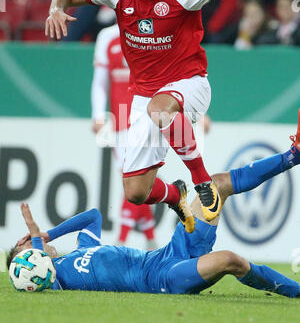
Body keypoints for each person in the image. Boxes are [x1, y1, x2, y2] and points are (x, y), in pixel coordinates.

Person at [45, 0, 294, 227]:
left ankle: (203, 183)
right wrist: (56, 7)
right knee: (136, 192)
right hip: (144, 98)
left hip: (190, 84)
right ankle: (176, 195)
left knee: (160, 109)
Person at [8, 111, 300, 296]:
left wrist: (48, 233)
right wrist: (34, 237)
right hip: (163, 279)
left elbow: (94, 216)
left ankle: (293, 155)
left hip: (169, 253)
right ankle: (296, 292)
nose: (31, 250)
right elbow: (40, 266)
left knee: (218, 184)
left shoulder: (81, 250)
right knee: (230, 260)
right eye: (26, 252)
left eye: (27, 248)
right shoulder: (59, 281)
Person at [91, 22, 158, 249]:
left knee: (134, 180)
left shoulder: (152, 29)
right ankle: (150, 240)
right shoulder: (106, 36)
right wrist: (98, 114)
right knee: (136, 182)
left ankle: (120, 242)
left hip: (147, 118)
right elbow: (100, 80)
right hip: (120, 122)